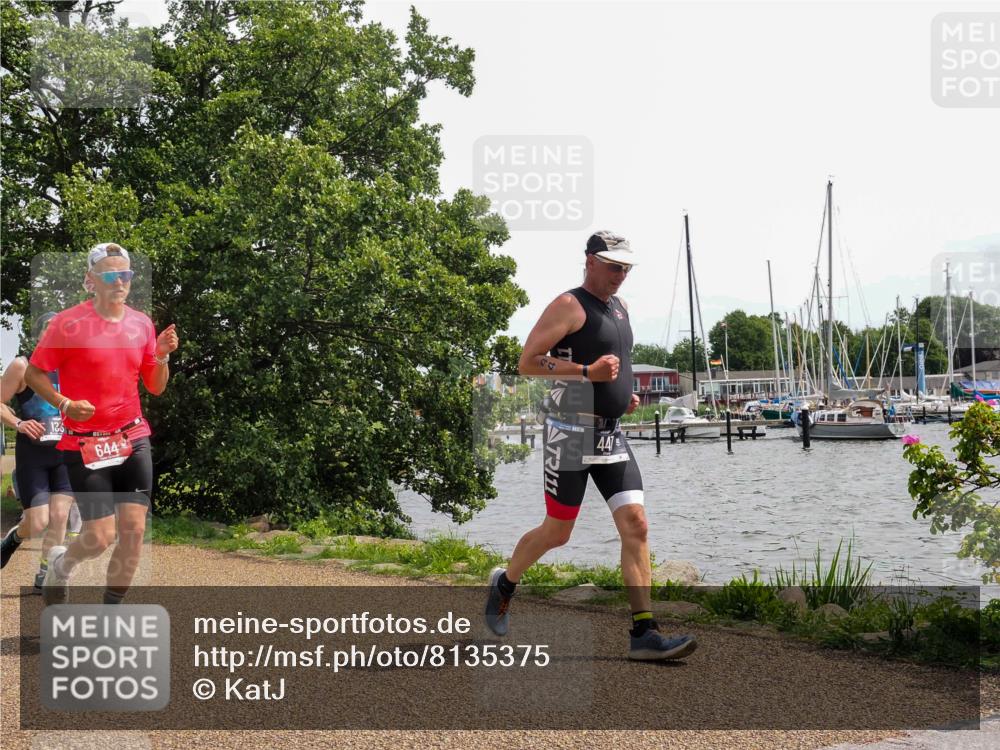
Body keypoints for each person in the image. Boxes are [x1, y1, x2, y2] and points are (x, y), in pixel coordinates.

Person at [485, 231, 697, 661]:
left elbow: (615, 363)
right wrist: (586, 372)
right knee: (558, 532)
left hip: (611, 433)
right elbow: (527, 362)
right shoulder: (569, 305)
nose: (621, 274)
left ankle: (644, 633)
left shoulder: (621, 308)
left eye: (626, 267)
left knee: (636, 524)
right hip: (569, 432)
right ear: (590, 261)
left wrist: (623, 395)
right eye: (613, 266)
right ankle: (505, 583)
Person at [25, 243, 179, 605]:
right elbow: (34, 373)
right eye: (111, 275)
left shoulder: (141, 323)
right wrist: (64, 403)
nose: (120, 282)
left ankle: (110, 614)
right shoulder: (67, 324)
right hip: (84, 443)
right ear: (90, 280)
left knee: (135, 530)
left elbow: (155, 386)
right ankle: (62, 564)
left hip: (131, 436)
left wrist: (161, 355)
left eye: (126, 275)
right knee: (99, 537)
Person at [0, 311, 79, 590]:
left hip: (64, 454)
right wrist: (19, 423)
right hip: (33, 456)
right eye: (49, 329)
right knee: (37, 521)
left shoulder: (72, 369)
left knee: (59, 517)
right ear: (38, 335)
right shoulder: (22, 366)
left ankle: (45, 573)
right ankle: (13, 539)